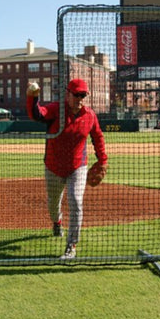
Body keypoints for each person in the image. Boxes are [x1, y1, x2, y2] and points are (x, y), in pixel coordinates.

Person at [26, 78, 108, 259]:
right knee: (53, 204)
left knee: (76, 201)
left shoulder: (90, 115)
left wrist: (103, 160)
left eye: (83, 95)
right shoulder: (56, 109)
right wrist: (32, 98)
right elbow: (37, 115)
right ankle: (57, 222)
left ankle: (71, 245)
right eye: (76, 94)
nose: (80, 98)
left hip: (77, 167)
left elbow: (98, 138)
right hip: (53, 167)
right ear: (67, 94)